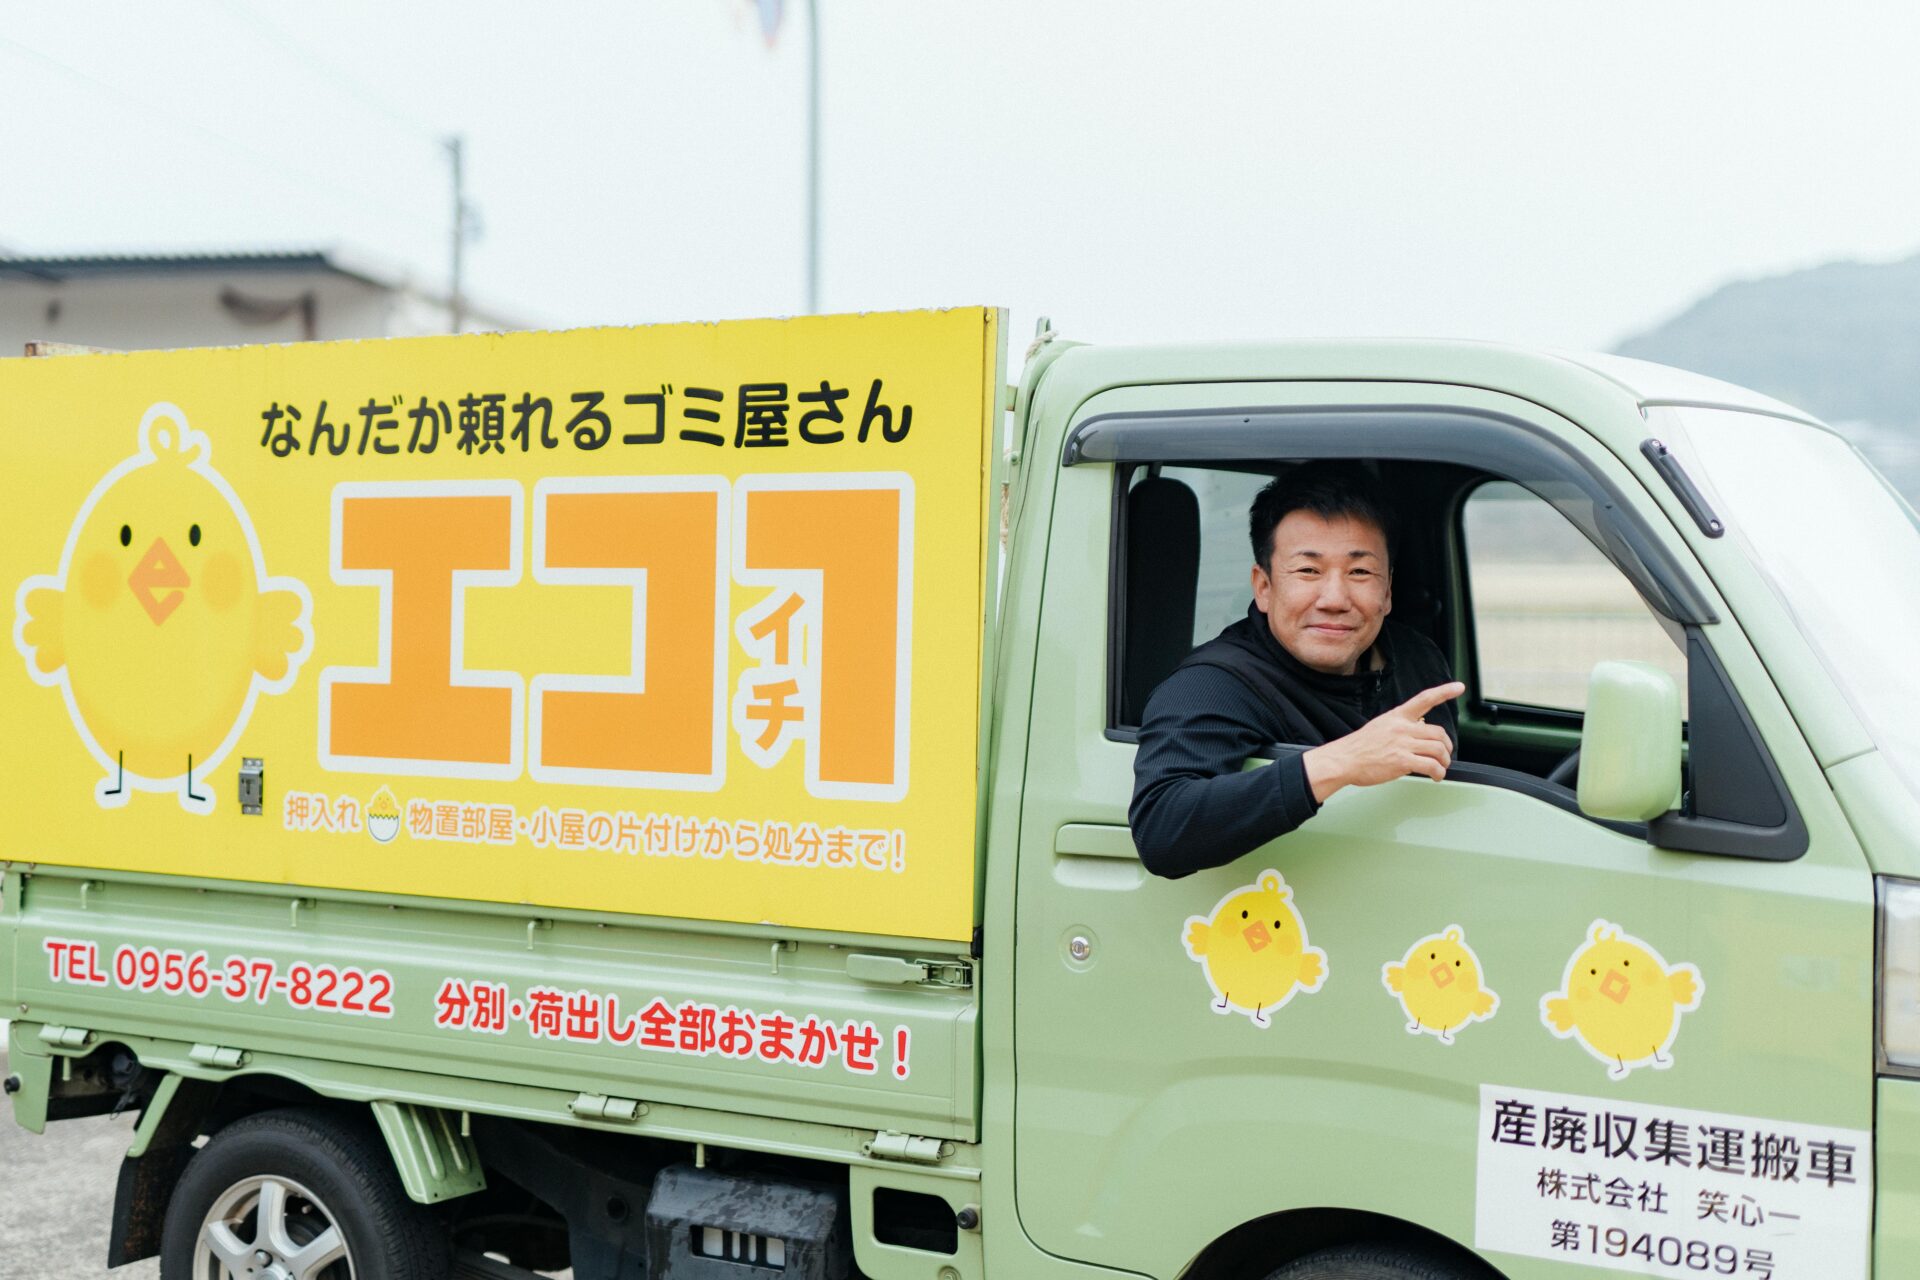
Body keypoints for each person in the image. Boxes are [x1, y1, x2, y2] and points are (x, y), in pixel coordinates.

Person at [1130, 461, 1464, 878]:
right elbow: (1161, 829)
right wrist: (1342, 761)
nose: (1334, 599)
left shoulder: (1418, 659)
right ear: (1264, 586)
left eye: (1360, 571)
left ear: (1388, 591)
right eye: (1309, 570)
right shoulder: (1215, 683)